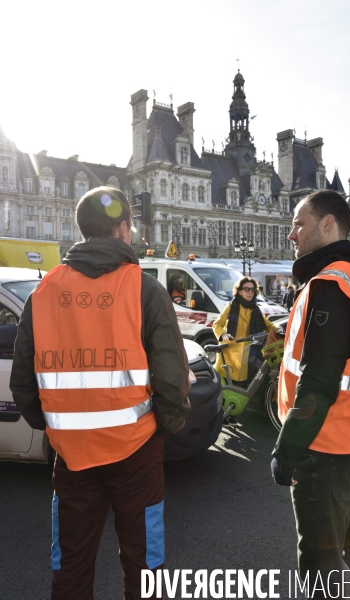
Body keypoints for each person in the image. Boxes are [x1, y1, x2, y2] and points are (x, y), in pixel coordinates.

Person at [10, 186, 191, 600]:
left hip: (71, 459)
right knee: (146, 567)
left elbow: (24, 381)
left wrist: (56, 426)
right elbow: (171, 378)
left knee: (70, 567)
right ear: (124, 229)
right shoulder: (145, 289)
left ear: (82, 229)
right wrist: (164, 427)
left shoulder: (43, 292)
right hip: (137, 453)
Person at [270, 190, 350, 599]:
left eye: (299, 224)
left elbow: (318, 382)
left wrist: (287, 452)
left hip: (325, 450)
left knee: (320, 562)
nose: (291, 234)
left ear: (327, 225)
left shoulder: (331, 285)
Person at [213, 276, 278, 426]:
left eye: (253, 290)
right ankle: (223, 415)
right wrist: (223, 334)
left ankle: (233, 414)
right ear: (240, 291)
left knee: (241, 387)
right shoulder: (232, 305)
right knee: (229, 387)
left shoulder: (255, 309)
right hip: (230, 353)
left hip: (247, 354)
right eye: (247, 289)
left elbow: (267, 325)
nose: (250, 292)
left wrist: (279, 330)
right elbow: (218, 324)